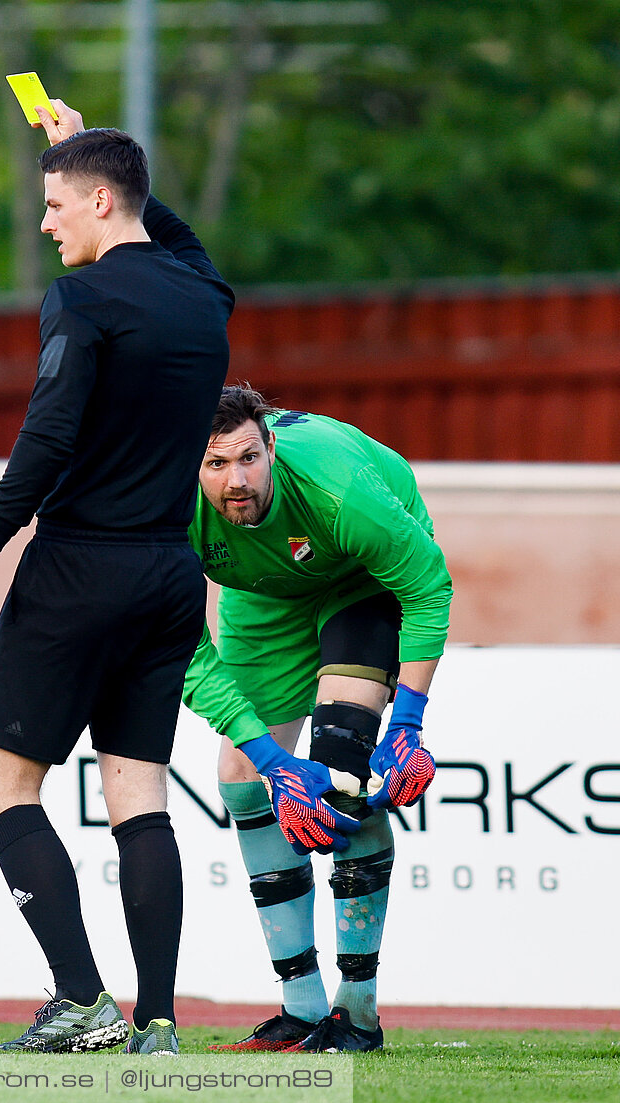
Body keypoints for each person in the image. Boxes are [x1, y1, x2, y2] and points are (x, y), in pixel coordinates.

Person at [0, 98, 234, 1056]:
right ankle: (157, 1020)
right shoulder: (204, 295)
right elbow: (173, 236)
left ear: (102, 202)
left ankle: (82, 1000)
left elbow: (50, 431)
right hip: (169, 576)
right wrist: (69, 142)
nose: (45, 222)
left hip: (80, 567)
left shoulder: (81, 300)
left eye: (57, 203)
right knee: (138, 795)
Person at [184, 384, 447, 1054]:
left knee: (340, 775)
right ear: (190, 465)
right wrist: (274, 767)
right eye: (216, 465)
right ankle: (301, 1009)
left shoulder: (340, 490)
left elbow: (426, 584)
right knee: (241, 774)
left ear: (270, 444)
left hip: (358, 574)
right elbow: (172, 643)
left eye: (248, 457)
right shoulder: (163, 509)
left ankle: (356, 1014)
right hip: (263, 594)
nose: (237, 480)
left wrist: (408, 724)